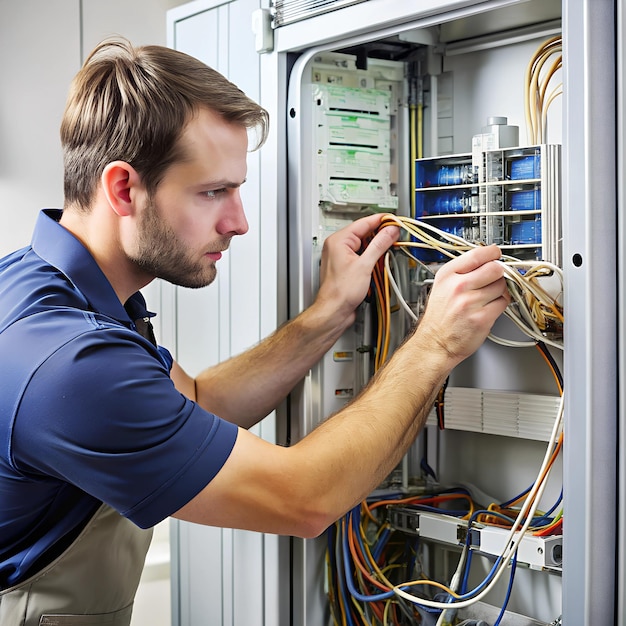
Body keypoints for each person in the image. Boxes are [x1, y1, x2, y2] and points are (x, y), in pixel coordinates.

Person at [0, 38, 509, 625]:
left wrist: (327, 315)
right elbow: (305, 499)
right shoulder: (68, 363)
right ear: (122, 189)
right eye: (212, 192)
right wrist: (435, 346)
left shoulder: (50, 286)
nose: (238, 222)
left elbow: (198, 403)